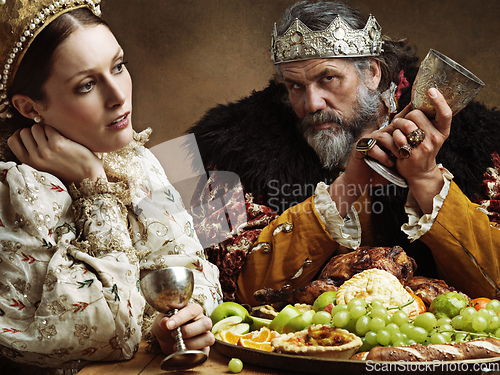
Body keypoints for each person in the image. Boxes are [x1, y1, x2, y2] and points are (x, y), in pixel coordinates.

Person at [188, 1, 500, 306]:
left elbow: (495, 286)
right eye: (295, 86)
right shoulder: (239, 146)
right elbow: (239, 287)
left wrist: (426, 179)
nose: (312, 104)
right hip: (302, 346)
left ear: (373, 73)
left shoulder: (476, 139)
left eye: (328, 78)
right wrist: (347, 186)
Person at [0, 0, 222, 373]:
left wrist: (176, 325)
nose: (118, 95)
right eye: (86, 84)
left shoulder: (136, 161)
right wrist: (94, 187)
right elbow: (104, 334)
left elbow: (194, 273)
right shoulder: (16, 189)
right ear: (28, 107)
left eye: (118, 66)